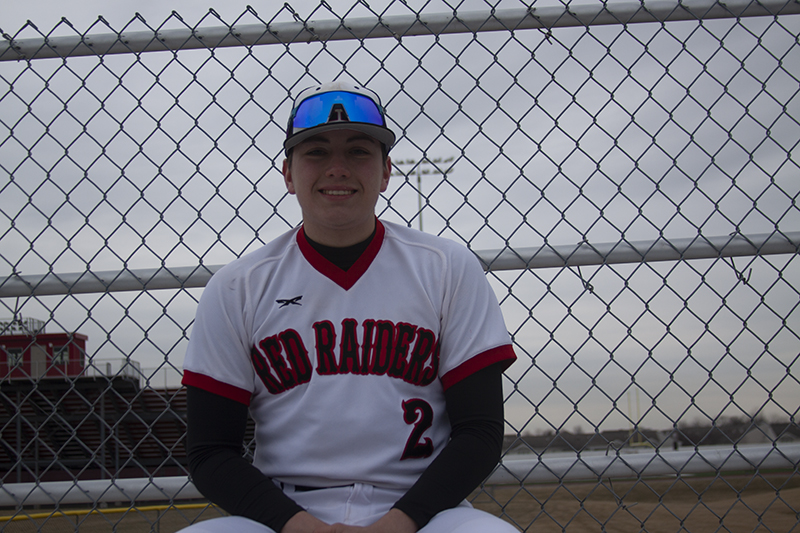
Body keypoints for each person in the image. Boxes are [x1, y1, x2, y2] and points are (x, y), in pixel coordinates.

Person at [179, 80, 518, 533]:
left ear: (384, 172)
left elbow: (480, 432)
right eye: (316, 152)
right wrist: (303, 528)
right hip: (284, 513)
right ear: (287, 173)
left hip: (424, 511)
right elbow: (210, 451)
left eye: (359, 151)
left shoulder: (446, 267)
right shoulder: (238, 287)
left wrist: (397, 524)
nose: (337, 168)